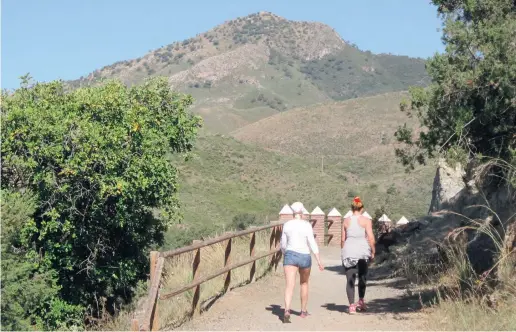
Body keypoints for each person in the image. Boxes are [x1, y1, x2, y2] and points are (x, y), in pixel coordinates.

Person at [280, 202, 324, 323]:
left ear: (293, 213)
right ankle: (303, 311)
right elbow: (312, 243)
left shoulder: (287, 225)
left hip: (290, 255)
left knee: (289, 285)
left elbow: (283, 244)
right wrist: (319, 260)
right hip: (305, 256)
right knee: (304, 283)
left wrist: (286, 254)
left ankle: (287, 310)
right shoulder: (307, 225)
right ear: (302, 212)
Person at [341, 197, 375, 314]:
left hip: (349, 250)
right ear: (362, 208)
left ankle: (351, 306)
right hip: (362, 251)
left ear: (351, 208)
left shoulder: (345, 221)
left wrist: (344, 251)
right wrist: (373, 250)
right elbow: (370, 237)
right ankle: (361, 301)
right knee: (362, 277)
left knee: (350, 278)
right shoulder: (366, 220)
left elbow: (342, 240)